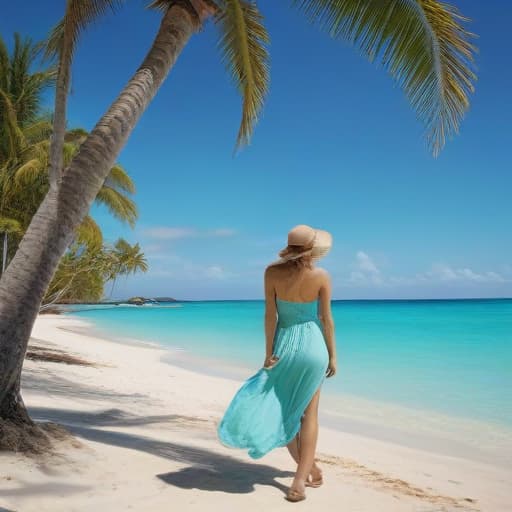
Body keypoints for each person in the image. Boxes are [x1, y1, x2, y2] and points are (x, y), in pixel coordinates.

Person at [217, 224, 337, 502]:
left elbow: (270, 316)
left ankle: (309, 471)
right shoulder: (321, 276)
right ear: (313, 250)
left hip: (284, 346)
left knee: (283, 413)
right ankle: (302, 479)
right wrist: (332, 355)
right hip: (313, 347)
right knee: (310, 415)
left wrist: (268, 352)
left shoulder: (271, 273)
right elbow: (326, 320)